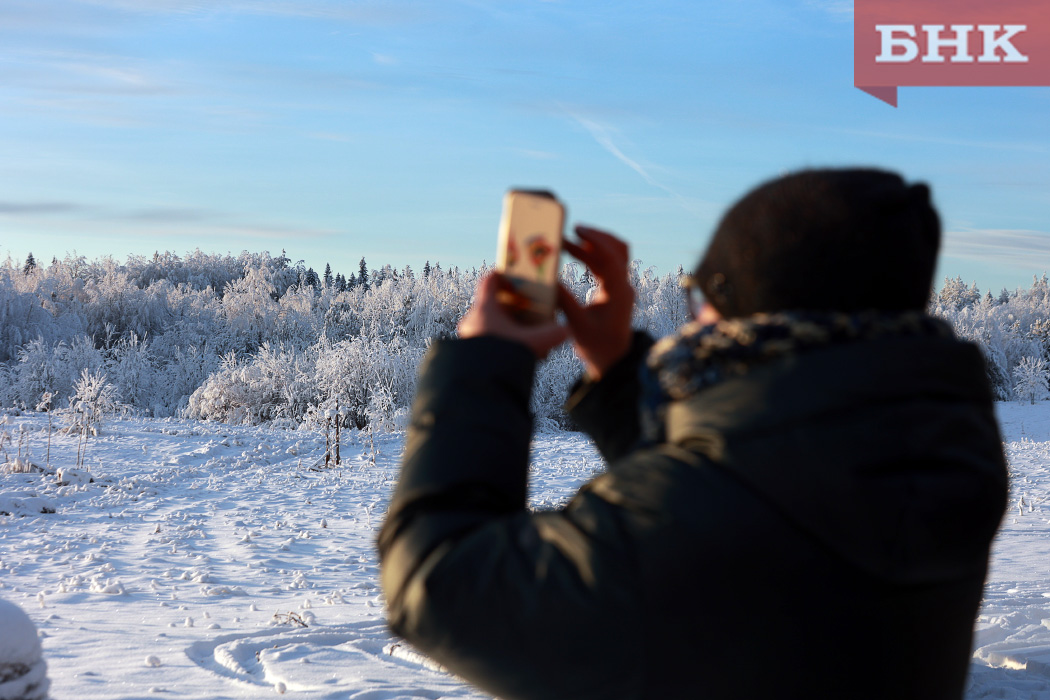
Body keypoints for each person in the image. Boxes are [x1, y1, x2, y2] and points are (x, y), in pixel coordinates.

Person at [378, 168, 1008, 699]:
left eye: (698, 294)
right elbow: (734, 497)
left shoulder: (715, 519)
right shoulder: (943, 460)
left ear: (743, 310)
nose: (689, 318)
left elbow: (436, 581)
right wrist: (618, 371)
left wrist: (484, 362)